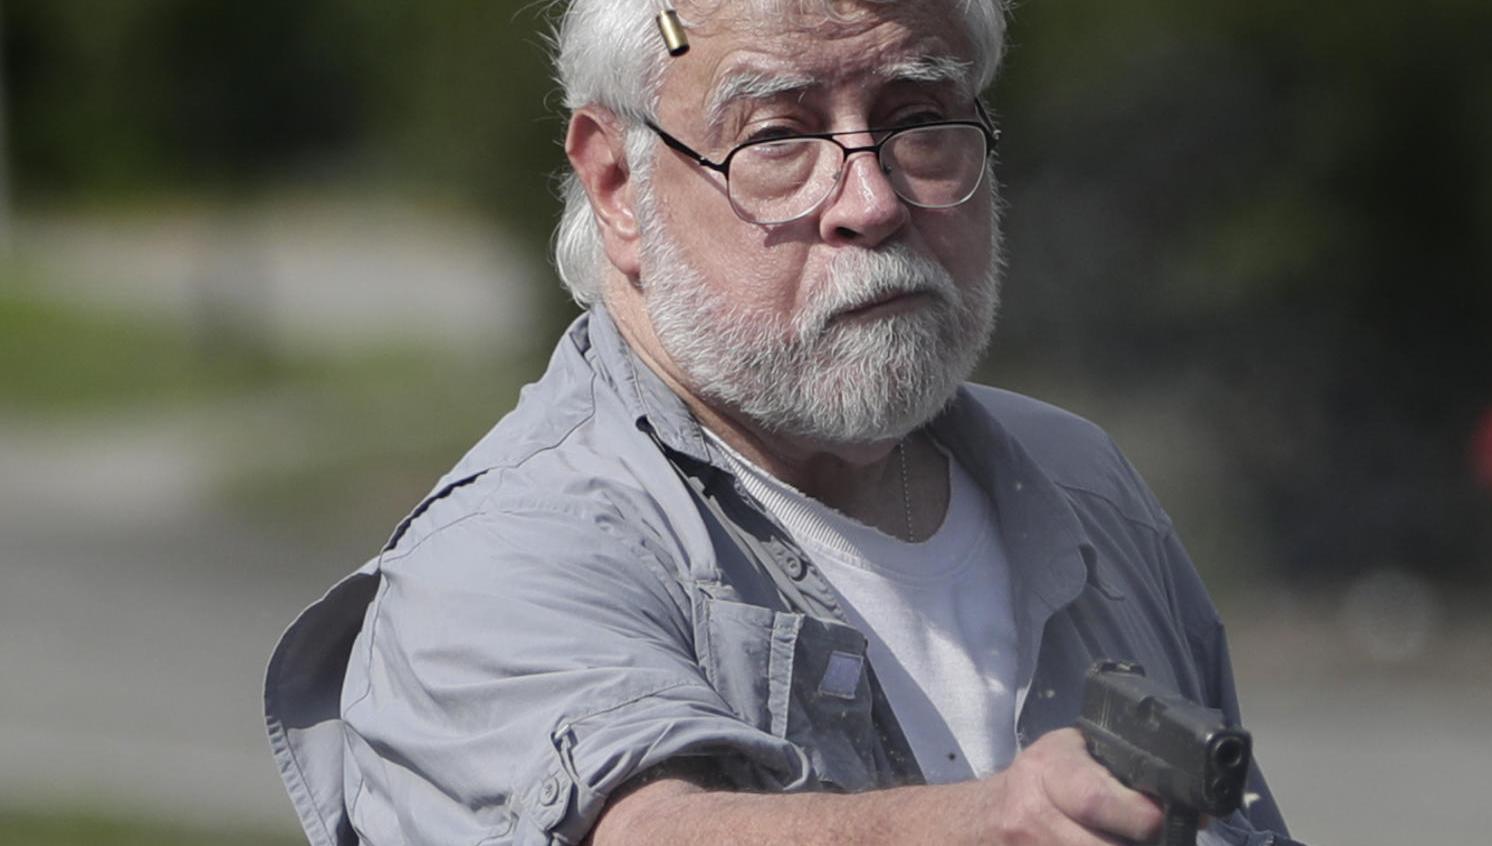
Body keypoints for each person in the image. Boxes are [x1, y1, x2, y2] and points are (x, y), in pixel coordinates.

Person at [263, 1, 1296, 844]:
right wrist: (991, 827)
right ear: (616, 184)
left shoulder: (1080, 481)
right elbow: (643, 832)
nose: (870, 201)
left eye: (918, 119)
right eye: (778, 138)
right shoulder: (499, 557)